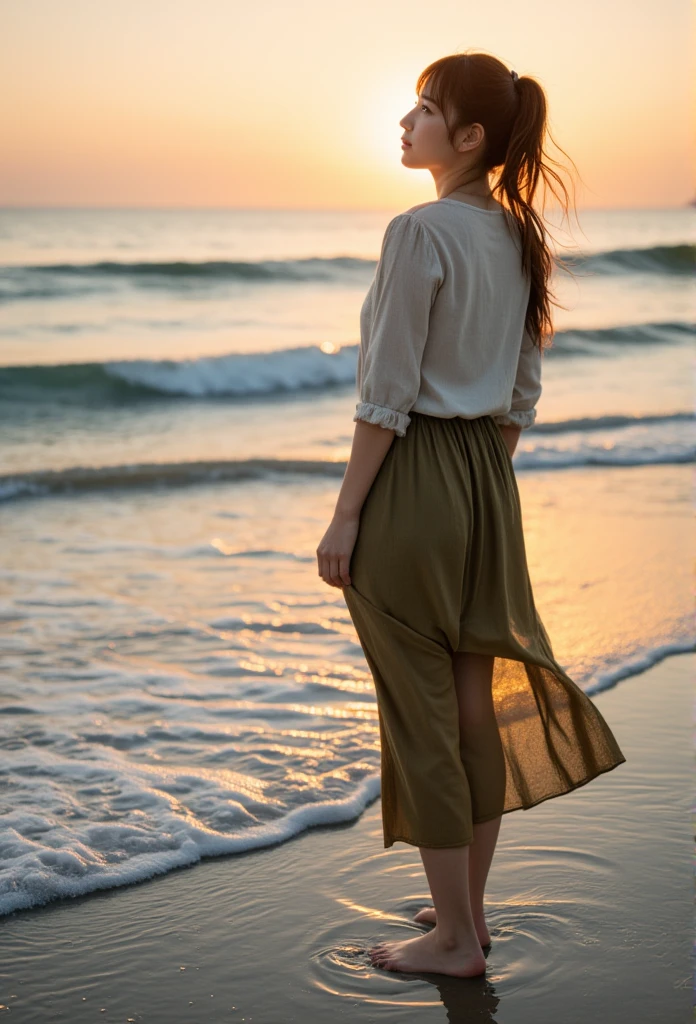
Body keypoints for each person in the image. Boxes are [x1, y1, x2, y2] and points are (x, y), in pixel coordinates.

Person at [315, 50, 626, 980]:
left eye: (423, 110)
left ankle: (452, 941)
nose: (404, 124)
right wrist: (480, 487)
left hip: (415, 481)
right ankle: (470, 915)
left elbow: (386, 396)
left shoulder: (420, 231)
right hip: (490, 483)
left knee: (422, 717)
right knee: (469, 710)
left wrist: (345, 517)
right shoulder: (520, 238)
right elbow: (522, 393)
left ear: (471, 135)